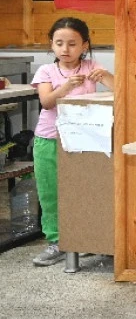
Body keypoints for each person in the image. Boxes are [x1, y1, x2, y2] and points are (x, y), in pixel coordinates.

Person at [29, 17, 114, 267]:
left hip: (85, 140)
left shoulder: (92, 66)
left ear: (84, 45)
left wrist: (106, 76)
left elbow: (122, 91)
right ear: (51, 45)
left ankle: (87, 239)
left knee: (88, 190)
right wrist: (64, 88)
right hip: (49, 139)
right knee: (51, 192)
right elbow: (46, 102)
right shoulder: (46, 71)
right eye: (59, 43)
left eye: (72, 44)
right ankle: (56, 241)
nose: (65, 49)